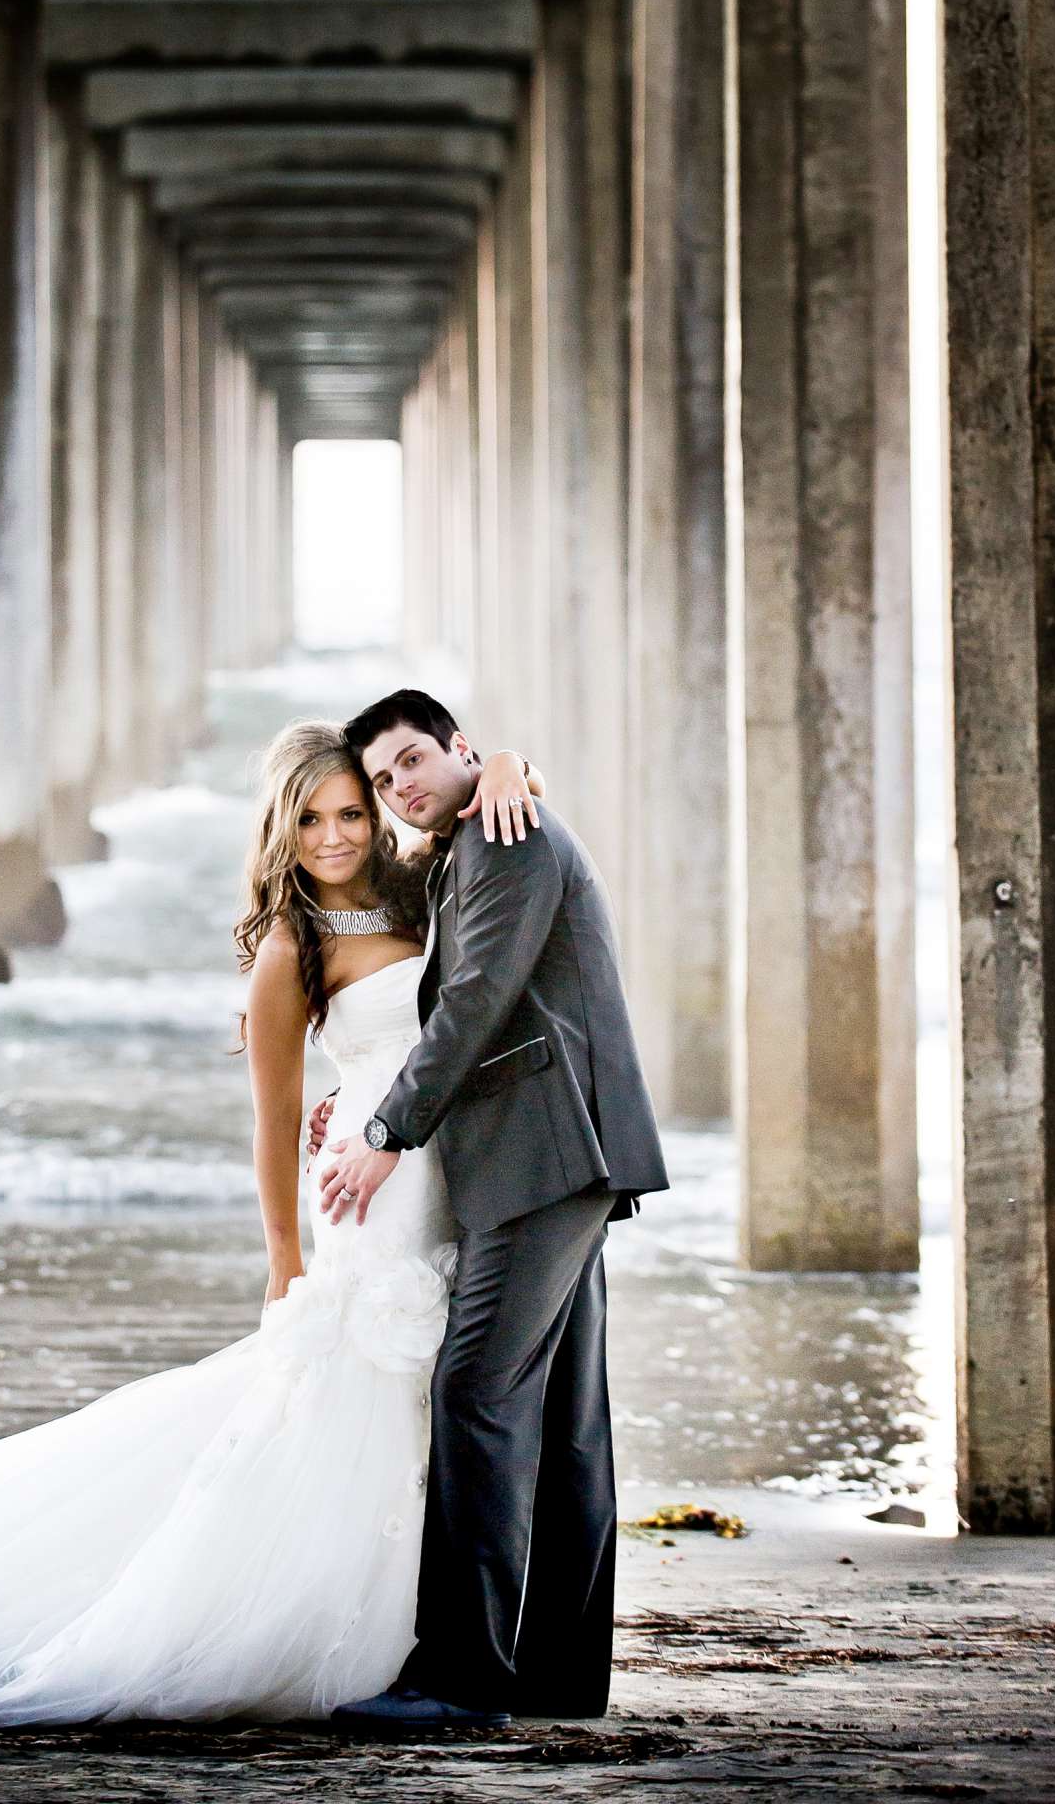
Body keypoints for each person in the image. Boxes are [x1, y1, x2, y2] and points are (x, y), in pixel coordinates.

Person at [0, 721, 540, 1726]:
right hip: (369, 1212)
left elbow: (476, 840)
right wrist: (285, 1262)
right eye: (311, 817)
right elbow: (274, 1127)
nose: (336, 834)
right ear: (281, 827)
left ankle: (442, 1631)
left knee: (436, 1409)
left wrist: (509, 764)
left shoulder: (415, 887)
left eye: (350, 810)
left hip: (445, 1186)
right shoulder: (290, 952)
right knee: (362, 1402)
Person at [316, 688, 668, 1732]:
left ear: (460, 749)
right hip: (553, 1152)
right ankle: (561, 1674)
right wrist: (366, 1094)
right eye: (383, 780)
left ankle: (463, 1677)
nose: (401, 787)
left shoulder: (507, 836)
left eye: (414, 760)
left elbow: (477, 1000)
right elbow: (444, 996)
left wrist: (387, 1135)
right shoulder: (475, 835)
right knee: (563, 1420)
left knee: (475, 1386)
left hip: (545, 1152)